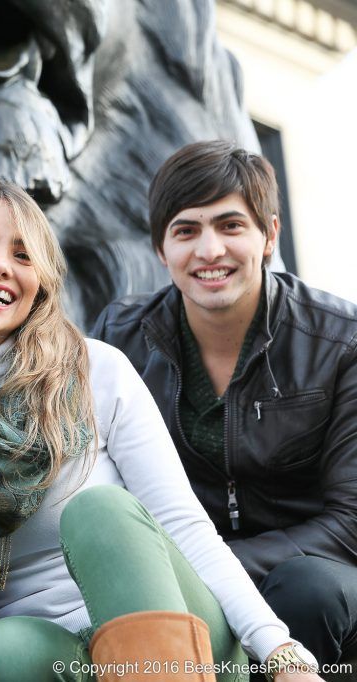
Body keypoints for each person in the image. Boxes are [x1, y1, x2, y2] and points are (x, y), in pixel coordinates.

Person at [0, 168, 321, 681]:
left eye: (23, 255)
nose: (1, 267)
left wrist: (280, 650)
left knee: (99, 513)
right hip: (60, 656)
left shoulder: (94, 371)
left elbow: (185, 526)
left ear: (39, 279)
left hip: (184, 637)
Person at [93, 140, 357, 669]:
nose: (209, 250)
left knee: (305, 590)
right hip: (177, 571)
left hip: (316, 571)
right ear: (161, 249)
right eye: (186, 230)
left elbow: (350, 521)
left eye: (230, 225)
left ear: (269, 235)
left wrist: (224, 567)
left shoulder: (340, 341)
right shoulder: (117, 340)